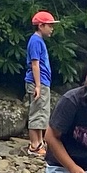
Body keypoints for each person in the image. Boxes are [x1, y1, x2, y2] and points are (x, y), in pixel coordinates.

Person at [25, 10, 56, 156]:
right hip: (39, 82)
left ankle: (39, 143)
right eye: (49, 25)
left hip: (43, 82)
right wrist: (37, 85)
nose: (51, 28)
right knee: (37, 112)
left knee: (42, 112)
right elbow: (35, 64)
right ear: (41, 26)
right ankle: (34, 145)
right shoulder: (35, 41)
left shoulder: (38, 41)